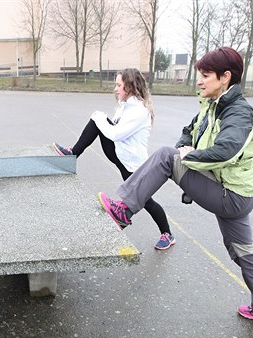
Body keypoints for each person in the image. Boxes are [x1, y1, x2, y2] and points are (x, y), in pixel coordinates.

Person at [97, 47, 253, 324]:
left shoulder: (239, 112)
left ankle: (123, 210)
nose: (199, 80)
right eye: (199, 74)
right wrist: (184, 147)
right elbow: (189, 130)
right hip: (237, 193)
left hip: (230, 194)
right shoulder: (212, 105)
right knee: (242, 251)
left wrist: (187, 157)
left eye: (205, 75)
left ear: (225, 77)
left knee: (165, 157)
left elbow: (227, 150)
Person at [53, 68, 175, 250]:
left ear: (130, 86)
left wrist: (99, 118)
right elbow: (114, 129)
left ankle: (167, 234)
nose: (116, 89)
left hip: (134, 165)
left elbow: (116, 134)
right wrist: (100, 118)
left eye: (119, 85)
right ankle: (73, 153)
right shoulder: (125, 105)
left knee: (147, 201)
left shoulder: (139, 111)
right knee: (97, 120)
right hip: (121, 155)